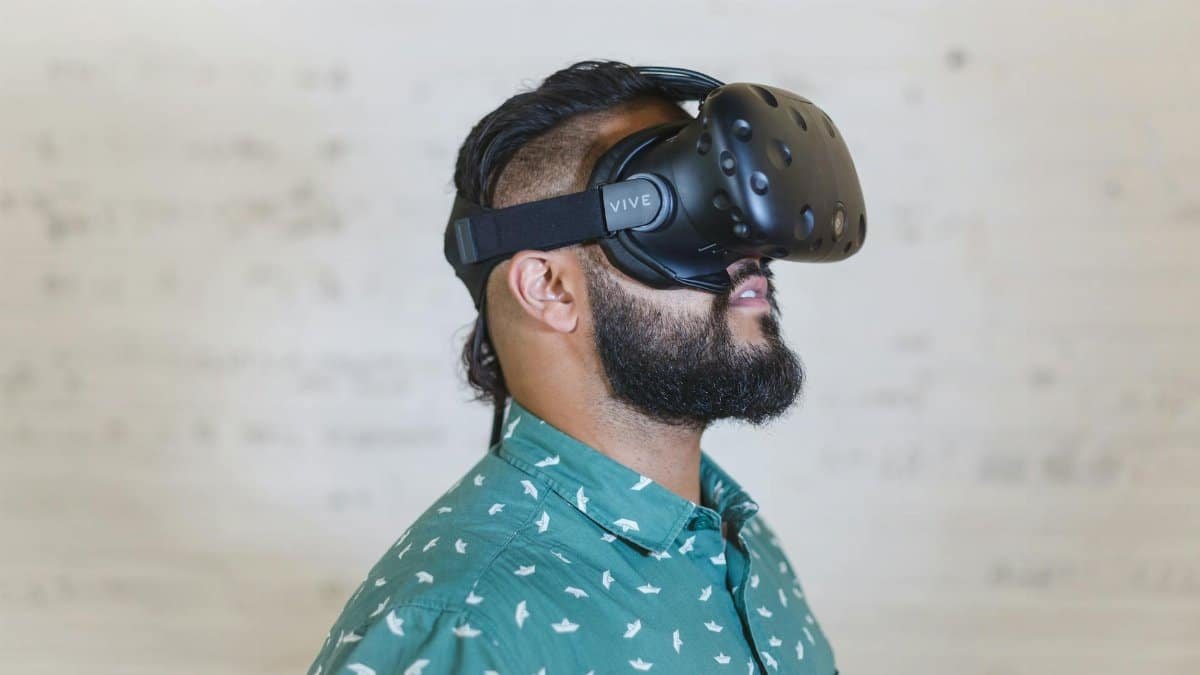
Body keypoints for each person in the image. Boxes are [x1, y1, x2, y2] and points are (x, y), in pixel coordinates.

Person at [307, 60, 838, 675]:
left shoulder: (736, 541)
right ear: (550, 289)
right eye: (683, 215)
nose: (749, 254)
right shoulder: (464, 631)